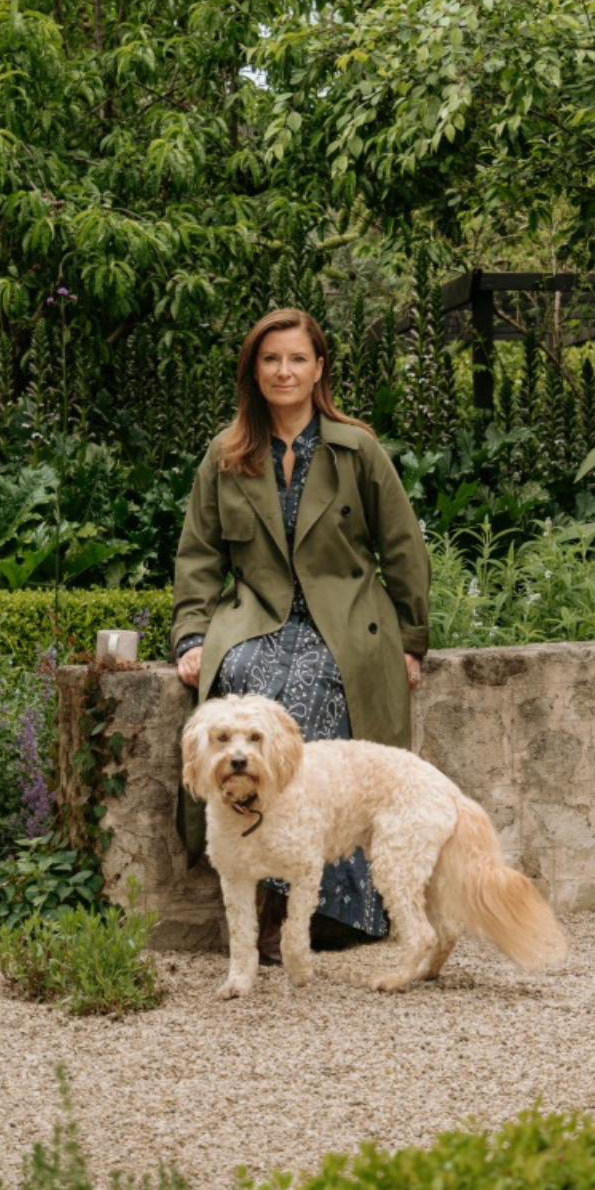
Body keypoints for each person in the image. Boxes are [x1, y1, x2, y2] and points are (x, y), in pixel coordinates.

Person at [172, 307, 431, 965]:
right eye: (270, 359)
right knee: (250, 688)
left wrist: (411, 641)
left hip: (342, 616)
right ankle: (262, 882)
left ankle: (301, 907)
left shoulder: (356, 449)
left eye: (296, 359)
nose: (283, 370)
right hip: (257, 614)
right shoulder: (227, 454)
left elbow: (402, 545)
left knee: (314, 686)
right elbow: (198, 554)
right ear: (253, 372)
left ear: (319, 370)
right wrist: (192, 635)